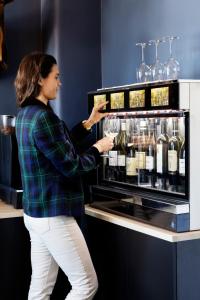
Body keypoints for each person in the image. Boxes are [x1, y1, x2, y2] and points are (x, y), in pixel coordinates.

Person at [14, 52, 113, 300]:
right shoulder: (45, 118)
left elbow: (56, 147)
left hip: (34, 214)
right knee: (86, 285)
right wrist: (98, 149)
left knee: (40, 290)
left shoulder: (25, 115)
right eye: (56, 77)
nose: (59, 82)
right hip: (53, 217)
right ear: (40, 79)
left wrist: (89, 123)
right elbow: (71, 166)